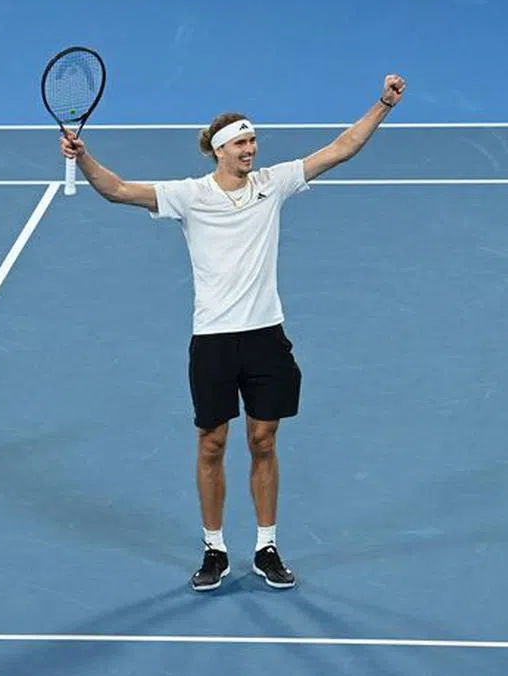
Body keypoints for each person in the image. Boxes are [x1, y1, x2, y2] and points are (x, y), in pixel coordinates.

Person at [61, 74, 407, 591]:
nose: (251, 149)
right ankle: (214, 549)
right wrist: (84, 156)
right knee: (212, 444)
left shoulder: (274, 183)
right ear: (219, 150)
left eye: (253, 141)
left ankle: (266, 545)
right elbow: (117, 190)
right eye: (241, 143)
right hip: (214, 341)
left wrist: (382, 105)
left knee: (263, 441)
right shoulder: (189, 196)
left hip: (266, 337)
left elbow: (341, 148)